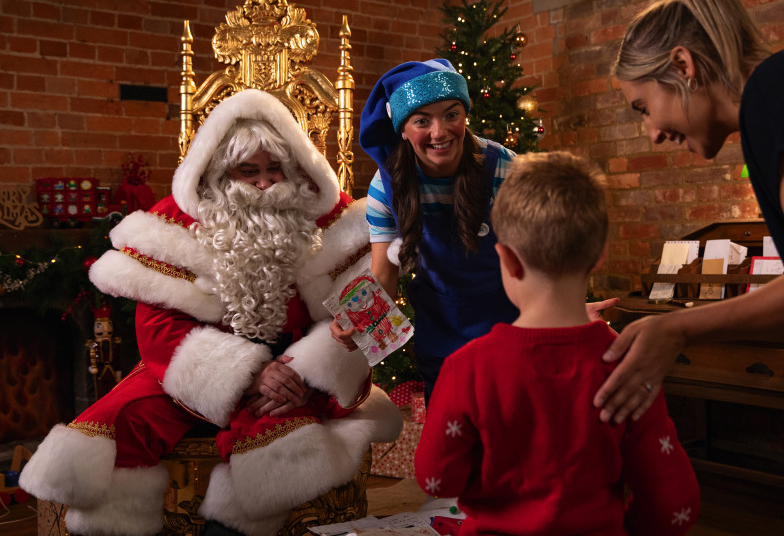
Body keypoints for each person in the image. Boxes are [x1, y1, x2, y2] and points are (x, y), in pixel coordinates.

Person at [19, 89, 402, 536]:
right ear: (219, 174)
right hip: (197, 369)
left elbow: (372, 318)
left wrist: (307, 372)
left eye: (274, 169)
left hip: (302, 373)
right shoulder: (172, 225)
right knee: (114, 424)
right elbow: (158, 327)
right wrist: (246, 374)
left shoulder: (342, 218)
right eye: (248, 172)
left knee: (280, 445)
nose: (264, 183)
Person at [598, 0, 784, 532]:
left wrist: (682, 328)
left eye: (643, 108)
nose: (652, 133)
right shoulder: (774, 109)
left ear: (683, 68)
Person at [414, 151, 700, 535]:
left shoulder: (467, 367)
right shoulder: (630, 366)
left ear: (508, 260)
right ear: (600, 256)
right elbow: (673, 504)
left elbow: (437, 481)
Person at [336, 58, 616, 404]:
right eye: (423, 120)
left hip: (513, 335)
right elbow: (384, 274)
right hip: (441, 342)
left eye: (451, 115)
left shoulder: (504, 169)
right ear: (403, 129)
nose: (440, 132)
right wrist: (358, 323)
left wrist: (568, 312)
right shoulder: (387, 187)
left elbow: (544, 255)